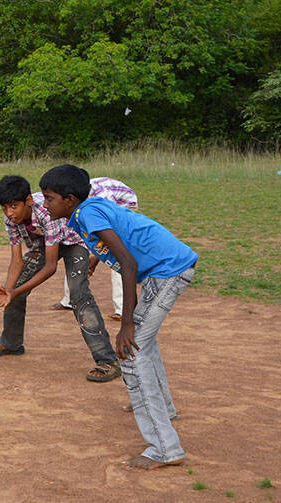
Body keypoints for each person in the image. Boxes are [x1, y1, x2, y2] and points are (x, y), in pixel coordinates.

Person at [40, 164, 198, 470]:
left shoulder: (87, 214)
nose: (46, 205)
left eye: (49, 198)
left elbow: (128, 263)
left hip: (168, 272)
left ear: (69, 199)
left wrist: (126, 324)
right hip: (168, 269)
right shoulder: (86, 210)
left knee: (130, 352)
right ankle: (165, 408)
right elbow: (125, 251)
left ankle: (165, 447)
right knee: (142, 346)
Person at [0, 175, 120, 382]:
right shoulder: (11, 218)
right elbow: (16, 261)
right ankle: (11, 343)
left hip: (73, 242)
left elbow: (51, 267)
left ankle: (107, 360)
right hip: (42, 244)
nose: (9, 213)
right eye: (5, 208)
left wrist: (15, 291)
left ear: (28, 201)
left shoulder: (44, 211)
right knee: (16, 288)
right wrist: (8, 291)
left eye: (14, 206)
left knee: (79, 295)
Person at [51, 177, 139, 319]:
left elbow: (109, 227)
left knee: (118, 255)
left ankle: (122, 309)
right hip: (99, 208)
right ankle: (69, 300)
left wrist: (96, 258)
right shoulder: (76, 196)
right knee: (76, 247)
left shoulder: (102, 196)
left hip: (124, 206)